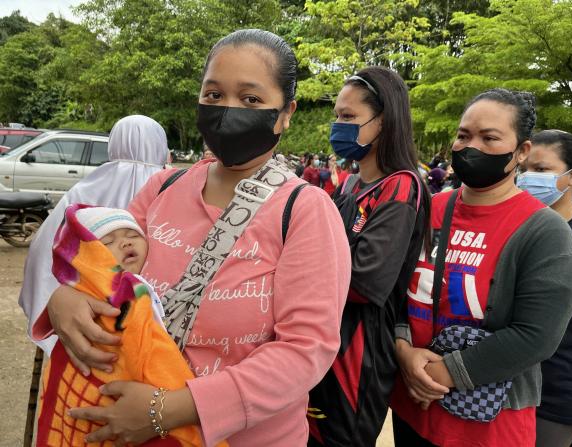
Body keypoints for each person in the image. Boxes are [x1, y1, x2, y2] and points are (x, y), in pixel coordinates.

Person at [33, 29, 351, 446]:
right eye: (214, 94)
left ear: (285, 112)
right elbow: (104, 267)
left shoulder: (305, 211)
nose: (228, 110)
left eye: (250, 99)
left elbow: (305, 350)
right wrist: (64, 298)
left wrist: (165, 410)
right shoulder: (162, 188)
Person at [390, 88, 572, 447]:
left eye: (489, 138)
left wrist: (442, 373)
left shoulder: (544, 231)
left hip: (486, 424)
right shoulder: (429, 209)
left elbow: (537, 336)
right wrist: (403, 350)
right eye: (464, 135)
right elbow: (395, 292)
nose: (471, 147)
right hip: (413, 406)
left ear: (521, 151)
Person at [308, 67, 431, 446]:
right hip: (321, 339)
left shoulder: (401, 186)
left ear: (384, 121)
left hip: (357, 352)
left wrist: (302, 267)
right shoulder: (350, 185)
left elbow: (365, 279)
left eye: (349, 117)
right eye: (337, 116)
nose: (338, 126)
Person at [35, 205, 211, 446]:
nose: (126, 243)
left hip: (151, 402)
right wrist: (61, 297)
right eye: (108, 242)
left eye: (132, 235)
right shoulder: (110, 294)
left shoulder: (140, 285)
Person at [19, 114, 169, 355]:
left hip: (89, 307)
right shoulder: (175, 186)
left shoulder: (87, 187)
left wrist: (56, 295)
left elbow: (45, 250)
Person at [517, 129, 572, 446]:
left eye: (540, 169)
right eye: (524, 169)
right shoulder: (512, 224)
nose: (528, 178)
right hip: (504, 383)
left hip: (565, 392)